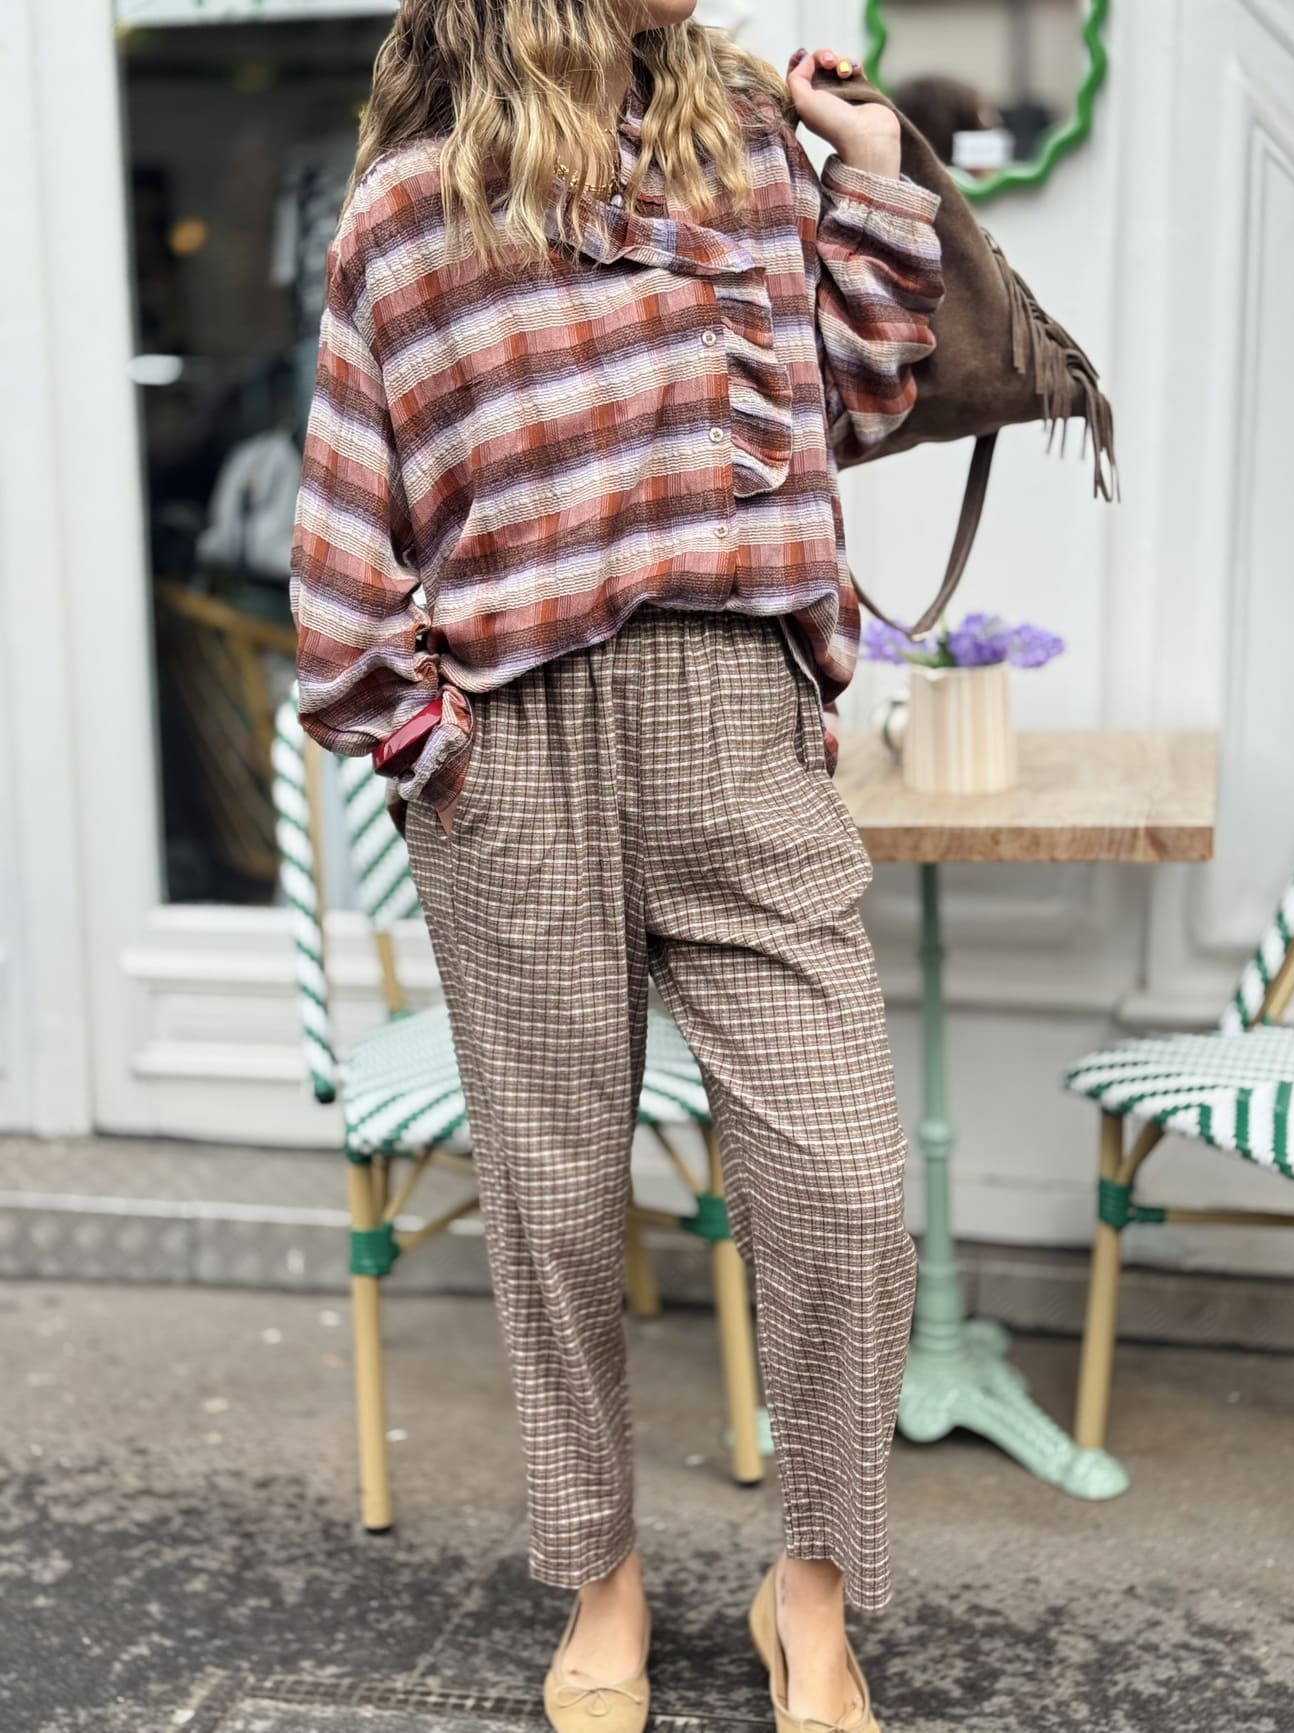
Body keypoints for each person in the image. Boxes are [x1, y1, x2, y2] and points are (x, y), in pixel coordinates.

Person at [289, 4, 943, 1730]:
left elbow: (853, 403)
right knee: (559, 1204)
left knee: (850, 1187)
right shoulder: (408, 219)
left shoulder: (741, 151)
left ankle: (811, 1587)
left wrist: (869, 181)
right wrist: (442, 756)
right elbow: (351, 557)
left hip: (742, 719)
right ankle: (600, 1574)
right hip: (523, 756)